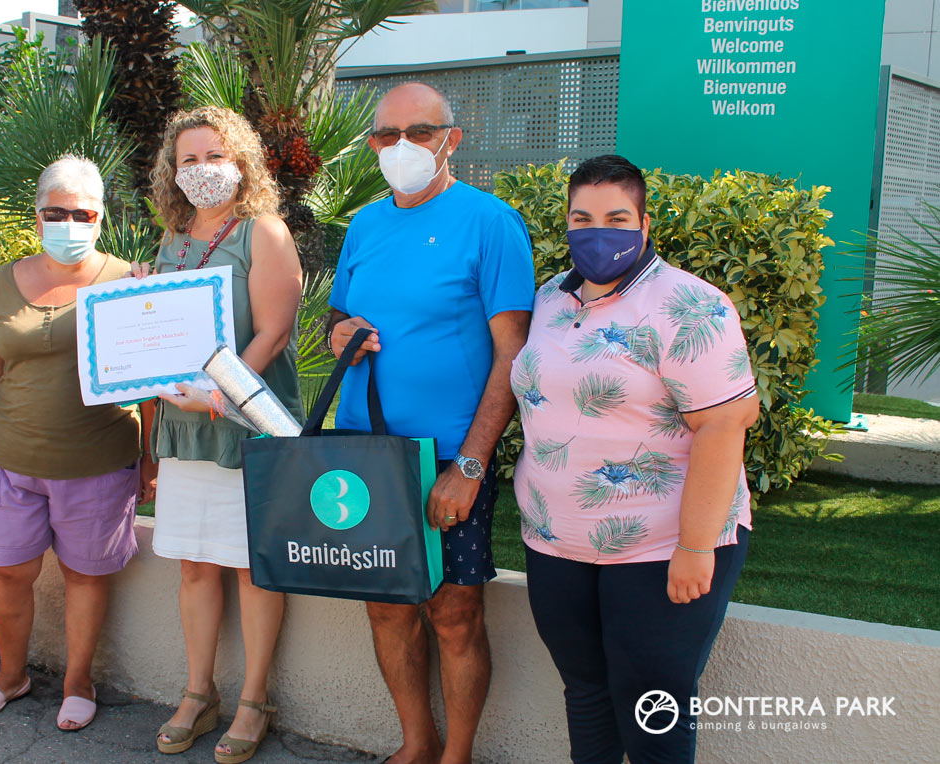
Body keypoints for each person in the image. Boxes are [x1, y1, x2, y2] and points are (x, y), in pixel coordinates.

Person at [512, 154, 759, 764]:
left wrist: (696, 546)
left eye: (617, 218)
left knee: (652, 701)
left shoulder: (691, 306)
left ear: (645, 224)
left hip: (661, 546)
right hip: (556, 542)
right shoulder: (549, 298)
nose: (598, 232)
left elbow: (724, 425)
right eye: (583, 218)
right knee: (586, 690)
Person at [326, 82, 534, 764]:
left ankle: (456, 756)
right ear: (372, 145)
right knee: (386, 606)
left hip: (448, 455)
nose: (402, 146)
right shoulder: (363, 225)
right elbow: (337, 317)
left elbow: (513, 354)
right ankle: (416, 744)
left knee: (454, 614)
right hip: (366, 452)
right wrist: (338, 333)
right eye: (388, 135)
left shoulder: (491, 223)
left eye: (420, 131)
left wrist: (469, 466)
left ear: (452, 139)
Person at [0, 155, 153, 731]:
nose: (68, 223)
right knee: (7, 573)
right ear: (38, 214)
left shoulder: (127, 281)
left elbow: (149, 377)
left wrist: (149, 457)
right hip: (9, 461)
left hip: (97, 461)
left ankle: (78, 682)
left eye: (82, 213)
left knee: (85, 577)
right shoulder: (3, 281)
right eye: (56, 212)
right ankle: (10, 676)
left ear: (100, 217)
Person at [141, 105, 302, 764]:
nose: (202, 169)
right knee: (195, 565)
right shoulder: (171, 242)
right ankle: (198, 691)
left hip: (243, 427)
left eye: (215, 156)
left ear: (241, 164)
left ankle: (254, 699)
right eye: (189, 159)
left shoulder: (263, 231)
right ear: (172, 171)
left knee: (252, 568)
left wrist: (221, 392)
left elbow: (274, 330)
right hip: (185, 432)